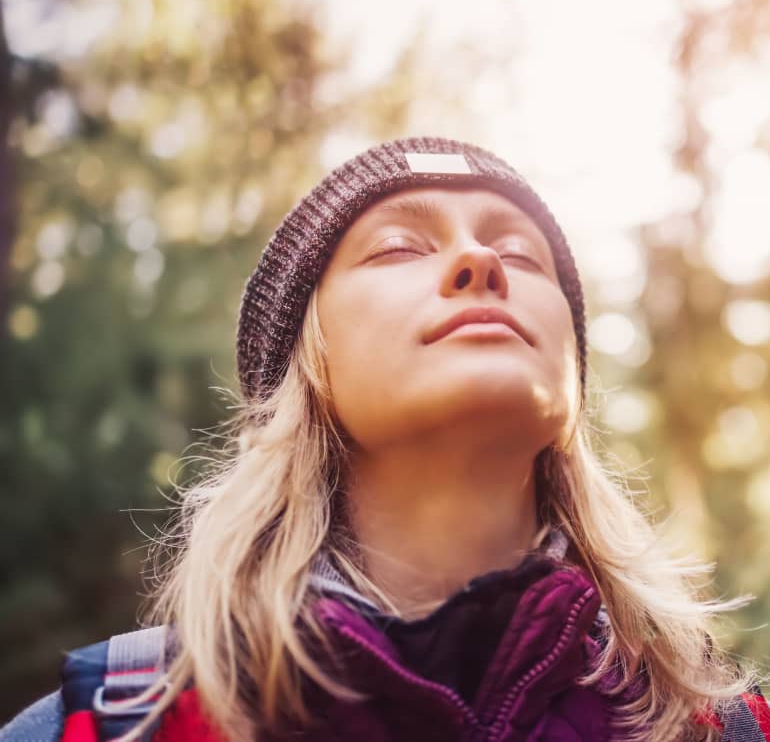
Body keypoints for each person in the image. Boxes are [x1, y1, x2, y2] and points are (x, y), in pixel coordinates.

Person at [2, 137, 768, 742]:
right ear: (304, 367)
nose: (482, 262)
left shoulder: (716, 727)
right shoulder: (104, 727)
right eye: (400, 247)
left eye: (524, 255)